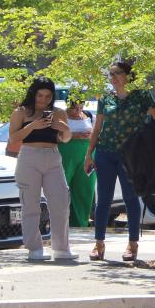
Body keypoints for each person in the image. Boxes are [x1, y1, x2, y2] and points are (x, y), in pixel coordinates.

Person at [84, 60, 155, 262]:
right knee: (103, 199)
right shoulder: (106, 98)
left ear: (128, 75)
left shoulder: (141, 96)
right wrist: (88, 154)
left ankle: (132, 243)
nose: (113, 78)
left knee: (130, 198)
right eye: (111, 74)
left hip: (130, 154)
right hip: (105, 152)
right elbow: (97, 128)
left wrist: (147, 145)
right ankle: (99, 243)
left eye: (117, 73)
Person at [8, 77, 77, 261]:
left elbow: (65, 138)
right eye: (40, 95)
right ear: (33, 93)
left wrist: (65, 129)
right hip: (29, 156)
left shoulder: (58, 112)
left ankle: (62, 248)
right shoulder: (21, 112)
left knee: (61, 202)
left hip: (53, 156)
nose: (43, 100)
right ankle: (34, 248)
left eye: (48, 96)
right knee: (30, 204)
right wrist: (32, 126)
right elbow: (13, 138)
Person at [59, 91, 96, 228]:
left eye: (80, 107)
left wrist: (89, 135)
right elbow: (56, 136)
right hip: (66, 154)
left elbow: (96, 132)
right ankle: (60, 223)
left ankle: (81, 223)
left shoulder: (88, 115)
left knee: (85, 189)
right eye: (74, 108)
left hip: (86, 154)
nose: (77, 111)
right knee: (62, 188)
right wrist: (75, 135)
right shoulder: (61, 116)